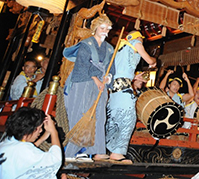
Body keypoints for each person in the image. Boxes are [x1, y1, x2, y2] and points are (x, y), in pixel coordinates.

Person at [63, 14, 115, 160]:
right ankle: (72, 152)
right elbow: (83, 64)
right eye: (102, 28)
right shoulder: (86, 44)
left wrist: (108, 77)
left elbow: (111, 68)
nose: (105, 31)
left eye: (107, 29)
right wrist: (96, 79)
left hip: (101, 85)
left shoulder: (110, 49)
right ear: (95, 29)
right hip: (84, 82)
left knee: (99, 115)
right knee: (81, 114)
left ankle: (94, 150)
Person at [105, 30, 156, 163]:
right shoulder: (136, 41)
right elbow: (148, 59)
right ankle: (117, 153)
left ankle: (107, 149)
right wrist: (153, 61)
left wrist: (134, 77)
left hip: (115, 89)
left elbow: (121, 72)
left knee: (113, 118)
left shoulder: (121, 48)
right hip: (124, 90)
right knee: (128, 117)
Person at [0, 106, 62, 178]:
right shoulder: (23, 149)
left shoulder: (6, 142)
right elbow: (56, 159)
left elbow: (26, 153)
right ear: (30, 129)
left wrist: (43, 138)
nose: (41, 131)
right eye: (39, 128)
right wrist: (53, 131)